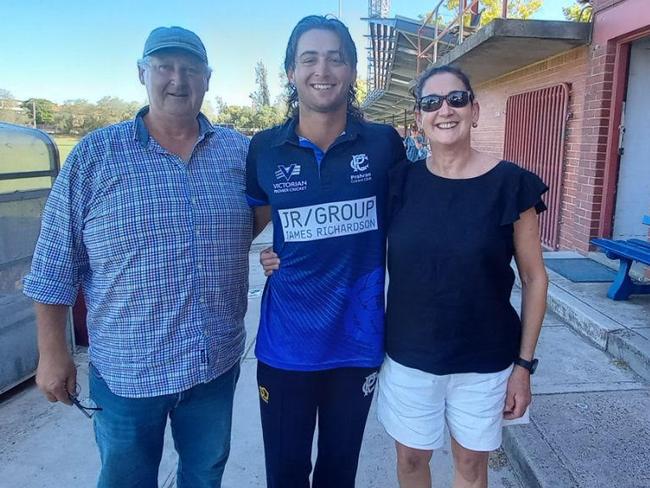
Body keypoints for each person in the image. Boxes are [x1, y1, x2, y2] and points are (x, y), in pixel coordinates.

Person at [23, 26, 255, 488]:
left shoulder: (238, 154)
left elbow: (262, 219)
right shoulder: (96, 155)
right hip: (130, 372)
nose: (177, 79)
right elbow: (53, 264)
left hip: (214, 364)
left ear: (207, 79)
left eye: (190, 69)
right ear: (141, 74)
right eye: (164, 67)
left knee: (205, 474)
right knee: (126, 480)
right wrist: (53, 354)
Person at [246, 15, 406, 488]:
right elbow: (250, 229)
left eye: (336, 58)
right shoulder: (264, 149)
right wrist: (267, 253)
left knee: (339, 475)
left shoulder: (382, 145)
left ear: (353, 71)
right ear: (292, 72)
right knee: (287, 474)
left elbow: (416, 225)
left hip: (356, 346)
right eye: (309, 58)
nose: (323, 69)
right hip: (284, 349)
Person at [378, 65, 549, 488]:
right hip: (409, 357)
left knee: (471, 468)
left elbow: (534, 279)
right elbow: (349, 245)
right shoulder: (398, 183)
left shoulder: (511, 185)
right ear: (419, 117)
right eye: (431, 103)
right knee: (412, 461)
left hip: (486, 361)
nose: (445, 110)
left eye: (456, 99)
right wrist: (283, 252)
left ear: (475, 109)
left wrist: (523, 367)